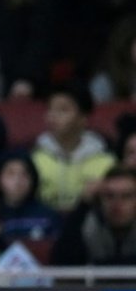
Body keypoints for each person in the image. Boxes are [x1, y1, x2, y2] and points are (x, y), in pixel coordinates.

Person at [31, 82, 116, 213]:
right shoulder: (34, 159)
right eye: (50, 109)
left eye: (63, 110)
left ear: (83, 118)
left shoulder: (107, 163)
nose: (52, 116)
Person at [51, 165, 136, 266]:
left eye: (126, 196)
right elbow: (60, 263)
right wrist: (83, 204)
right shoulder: (89, 226)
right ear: (99, 200)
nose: (117, 204)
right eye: (109, 196)